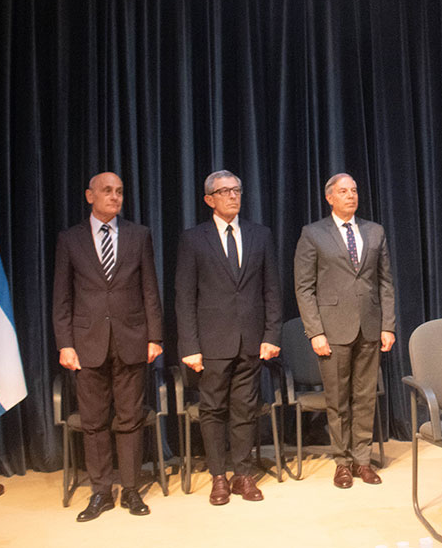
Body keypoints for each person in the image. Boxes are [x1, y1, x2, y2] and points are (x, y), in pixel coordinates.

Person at [52, 172, 163, 522]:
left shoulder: (138, 235)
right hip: (87, 344)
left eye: (119, 192)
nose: (114, 197)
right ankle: (101, 492)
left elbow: (150, 289)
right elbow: (62, 297)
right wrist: (65, 344)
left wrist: (155, 337)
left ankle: (130, 488)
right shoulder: (70, 239)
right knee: (94, 422)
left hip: (132, 340)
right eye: (107, 191)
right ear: (90, 196)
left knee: (130, 419)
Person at [175, 170, 282, 505]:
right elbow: (184, 297)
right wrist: (190, 345)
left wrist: (271, 334)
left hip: (251, 340)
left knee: (245, 410)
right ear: (209, 199)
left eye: (237, 190)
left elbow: (271, 290)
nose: (233, 196)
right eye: (225, 191)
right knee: (212, 410)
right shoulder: (194, 239)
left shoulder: (259, 234)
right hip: (211, 343)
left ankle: (243, 474)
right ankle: (218, 476)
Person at [293, 173, 396, 489]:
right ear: (330, 197)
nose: (351, 195)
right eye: (343, 191)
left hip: (369, 326)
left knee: (364, 397)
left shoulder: (375, 231)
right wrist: (315, 332)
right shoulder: (313, 234)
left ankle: (362, 460)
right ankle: (342, 462)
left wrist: (388, 325)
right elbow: (304, 287)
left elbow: (385, 282)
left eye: (354, 190)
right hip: (332, 329)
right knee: (337, 399)